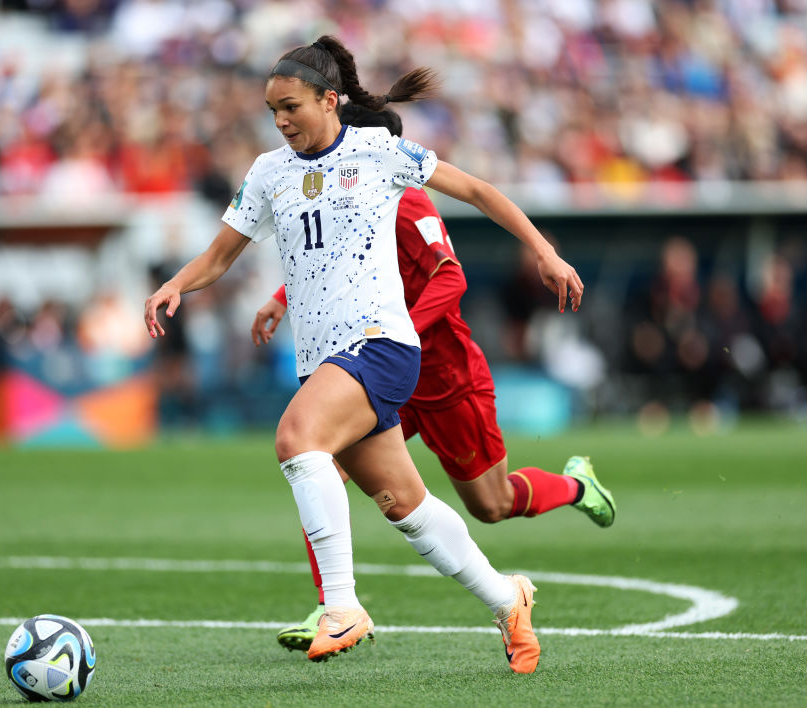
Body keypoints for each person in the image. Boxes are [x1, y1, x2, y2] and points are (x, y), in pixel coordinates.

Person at [144, 35, 585, 674]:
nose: (281, 120)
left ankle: (342, 606)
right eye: (273, 111)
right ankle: (506, 599)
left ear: (330, 100)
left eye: (291, 106)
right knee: (407, 507)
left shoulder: (377, 151)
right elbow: (217, 257)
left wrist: (545, 252)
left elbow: (478, 190)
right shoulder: (269, 172)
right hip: (324, 358)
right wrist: (175, 285)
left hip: (380, 345)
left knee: (297, 439)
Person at [251, 104, 616, 652]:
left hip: (441, 376)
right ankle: (334, 605)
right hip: (375, 371)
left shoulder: (407, 198)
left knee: (491, 504)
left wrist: (395, 333)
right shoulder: (343, 191)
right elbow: (335, 260)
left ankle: (576, 486)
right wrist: (284, 297)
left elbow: (451, 278)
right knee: (318, 462)